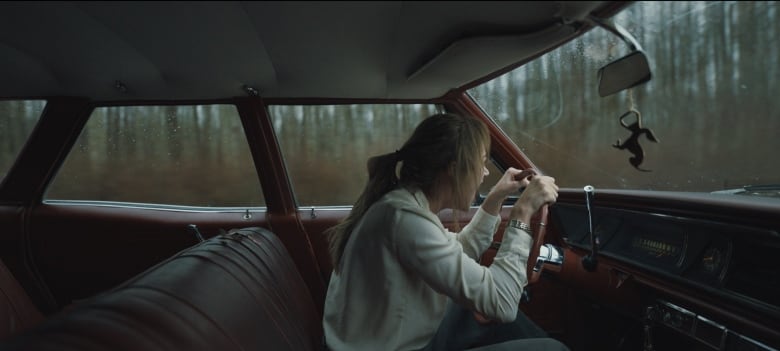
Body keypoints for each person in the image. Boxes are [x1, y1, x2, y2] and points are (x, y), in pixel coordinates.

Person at [323, 113, 566, 351]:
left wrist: (494, 199)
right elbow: (502, 303)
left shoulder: (402, 205)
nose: (485, 172)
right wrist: (522, 214)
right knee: (551, 348)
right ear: (454, 169)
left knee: (478, 314)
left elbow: (458, 253)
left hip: (395, 338)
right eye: (481, 162)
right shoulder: (404, 219)